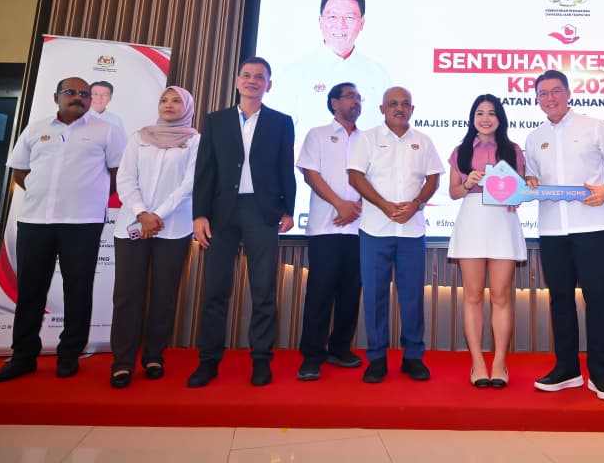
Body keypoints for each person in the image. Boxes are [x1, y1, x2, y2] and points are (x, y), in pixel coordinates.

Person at [0, 77, 126, 383]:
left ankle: (69, 355)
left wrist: (88, 196)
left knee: (77, 290)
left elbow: (119, 173)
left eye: (84, 94)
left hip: (83, 223)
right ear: (56, 97)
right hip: (35, 221)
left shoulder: (107, 131)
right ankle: (23, 356)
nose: (78, 97)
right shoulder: (36, 129)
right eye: (71, 92)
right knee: (30, 290)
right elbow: (20, 170)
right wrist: (44, 192)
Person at [187, 57, 296, 388]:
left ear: (268, 84)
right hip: (222, 213)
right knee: (215, 290)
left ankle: (261, 360)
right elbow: (205, 170)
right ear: (237, 81)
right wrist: (200, 214)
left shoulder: (281, 122)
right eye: (246, 75)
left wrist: (288, 210)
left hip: (262, 212)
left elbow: (285, 168)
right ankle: (208, 361)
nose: (252, 81)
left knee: (263, 290)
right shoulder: (216, 120)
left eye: (259, 77)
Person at [525, 70, 604, 401]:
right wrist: (529, 182)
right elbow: (532, 177)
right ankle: (567, 369)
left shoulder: (594, 126)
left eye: (556, 91)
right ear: (537, 99)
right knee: (560, 300)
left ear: (569, 93)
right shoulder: (534, 136)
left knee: (598, 299)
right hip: (552, 230)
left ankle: (600, 374)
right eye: (543, 93)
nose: (550, 98)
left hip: (592, 227)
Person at [347, 86, 444, 383]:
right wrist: (384, 205)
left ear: (412, 110)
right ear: (382, 109)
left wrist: (416, 204)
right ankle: (377, 358)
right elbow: (355, 176)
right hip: (375, 230)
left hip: (411, 233)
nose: (399, 108)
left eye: (405, 104)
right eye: (393, 104)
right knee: (374, 295)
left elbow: (433, 179)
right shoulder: (367, 139)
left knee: (412, 296)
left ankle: (413, 357)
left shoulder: (423, 141)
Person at [109, 86, 200, 388]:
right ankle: (122, 362)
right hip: (132, 226)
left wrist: (157, 215)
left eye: (176, 101)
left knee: (164, 295)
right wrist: (142, 213)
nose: (168, 105)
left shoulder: (195, 140)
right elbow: (125, 178)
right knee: (127, 295)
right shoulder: (139, 137)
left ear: (187, 107)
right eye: (164, 100)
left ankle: (153, 357)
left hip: (173, 228)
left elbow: (190, 184)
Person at [448, 94, 527, 388]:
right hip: (471, 221)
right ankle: (478, 362)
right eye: (479, 113)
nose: (485, 118)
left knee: (501, 296)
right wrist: (467, 183)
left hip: (502, 222)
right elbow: (453, 192)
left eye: (491, 113)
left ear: (500, 118)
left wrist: (516, 195)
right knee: (472, 296)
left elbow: (520, 193)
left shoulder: (513, 150)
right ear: (472, 118)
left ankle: (499, 362)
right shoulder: (461, 151)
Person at [294, 82, 365, 381]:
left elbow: (375, 179)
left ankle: (340, 349)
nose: (356, 101)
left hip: (360, 228)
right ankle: (312, 355)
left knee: (350, 293)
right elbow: (310, 174)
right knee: (320, 293)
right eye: (350, 96)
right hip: (326, 227)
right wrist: (340, 204)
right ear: (334, 102)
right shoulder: (318, 134)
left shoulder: (368, 139)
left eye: (359, 98)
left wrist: (358, 205)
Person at [271, 0, 391, 141]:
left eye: (349, 17)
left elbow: (389, 133)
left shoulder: (378, 74)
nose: (340, 24)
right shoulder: (295, 73)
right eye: (332, 17)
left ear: (362, 23)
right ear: (320, 21)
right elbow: (275, 134)